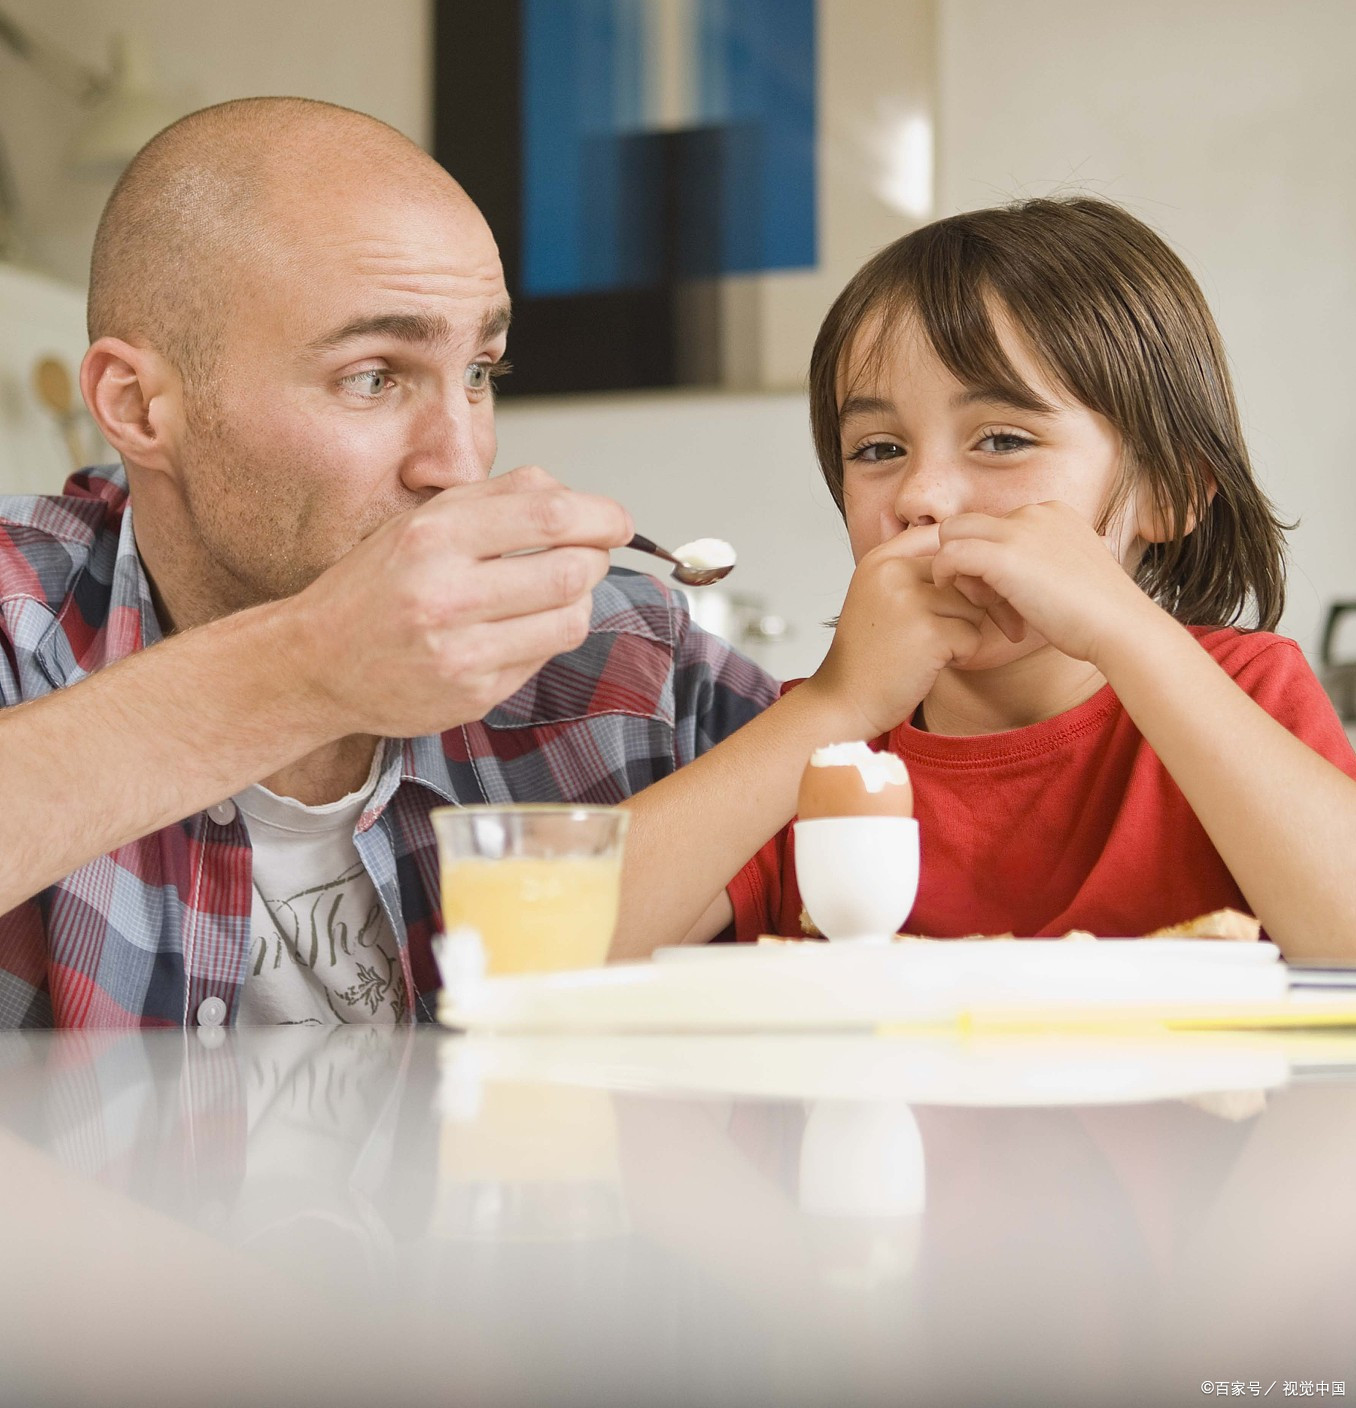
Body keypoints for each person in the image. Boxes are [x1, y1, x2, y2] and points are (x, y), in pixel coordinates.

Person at [0, 98, 774, 1028]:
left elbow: (912, 826)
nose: (458, 461)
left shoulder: (621, 658)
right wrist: (308, 669)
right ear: (136, 407)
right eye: (372, 376)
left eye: (481, 372)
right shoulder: (20, 606)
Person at [607, 197, 1356, 960]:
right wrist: (839, 703)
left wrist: (1126, 630)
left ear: (1168, 492)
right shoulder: (813, 751)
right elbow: (544, 956)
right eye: (876, 450)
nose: (920, 497)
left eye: (1002, 439)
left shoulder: (1243, 692)